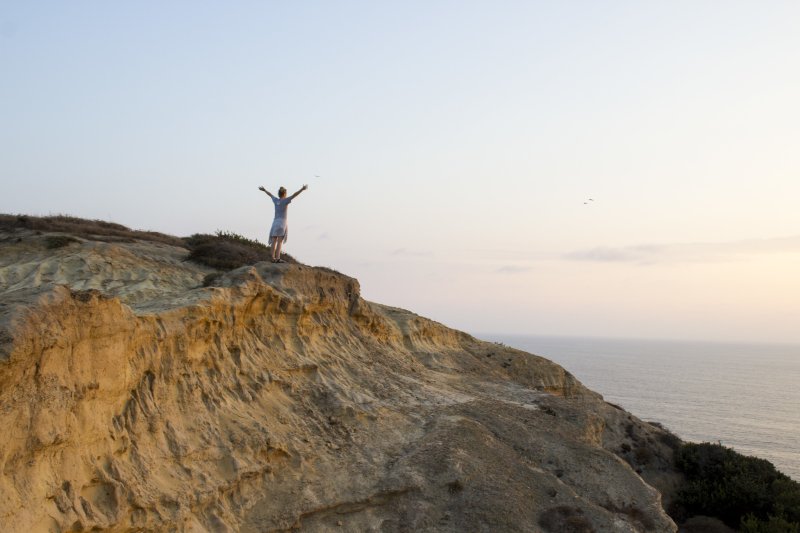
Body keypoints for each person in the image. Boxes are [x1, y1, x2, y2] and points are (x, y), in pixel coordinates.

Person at [258, 184, 308, 263]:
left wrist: (264, 190)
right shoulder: (285, 200)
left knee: (274, 241)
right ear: (284, 194)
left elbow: (270, 194)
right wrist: (302, 189)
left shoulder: (275, 200)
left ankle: (272, 258)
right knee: (280, 241)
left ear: (279, 194)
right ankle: (277, 258)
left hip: (275, 223)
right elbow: (294, 195)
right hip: (282, 223)